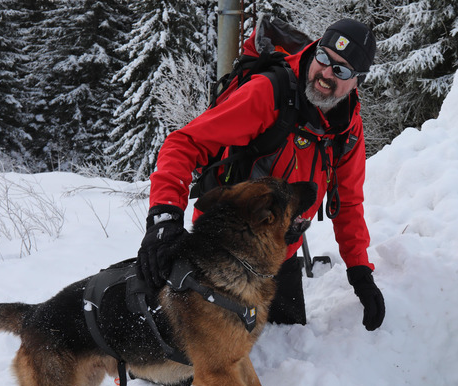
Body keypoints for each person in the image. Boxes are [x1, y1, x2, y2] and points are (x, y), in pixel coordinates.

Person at [137, 18, 385, 331]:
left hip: (280, 256)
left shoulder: (347, 129)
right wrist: (164, 217)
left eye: (342, 70)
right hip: (223, 251)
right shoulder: (269, 93)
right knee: (190, 365)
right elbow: (185, 143)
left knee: (289, 349)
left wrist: (360, 272)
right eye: (324, 58)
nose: (325, 73)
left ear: (357, 81)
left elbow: (347, 203)